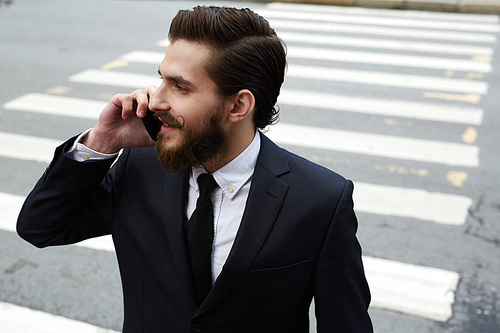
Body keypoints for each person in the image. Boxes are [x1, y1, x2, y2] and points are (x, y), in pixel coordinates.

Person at [17, 5, 373, 333]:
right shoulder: (139, 167)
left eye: (180, 87)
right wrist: (102, 142)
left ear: (238, 105)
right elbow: (41, 227)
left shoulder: (319, 201)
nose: (155, 100)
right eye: (161, 79)